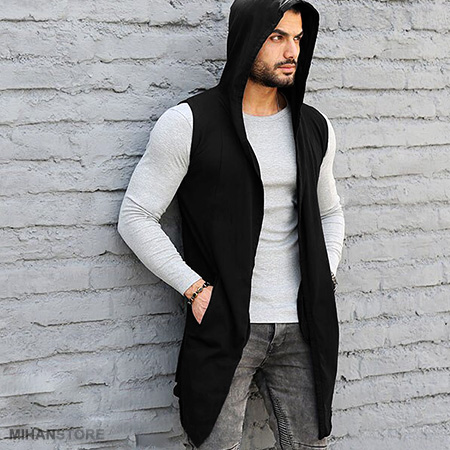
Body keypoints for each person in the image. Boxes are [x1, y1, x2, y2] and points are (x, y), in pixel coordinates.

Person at [117, 0, 345, 448]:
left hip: (304, 325)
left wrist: (327, 274)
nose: (292, 52)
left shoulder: (313, 127)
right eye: (277, 37)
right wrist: (195, 290)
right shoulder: (190, 122)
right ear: (246, 40)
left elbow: (330, 212)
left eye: (298, 39)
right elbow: (136, 215)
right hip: (225, 325)